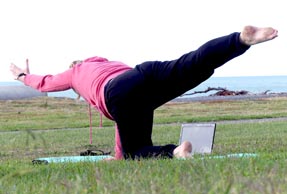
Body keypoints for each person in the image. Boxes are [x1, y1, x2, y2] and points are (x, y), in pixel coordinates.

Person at [10, 25, 278, 160]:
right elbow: (122, 117)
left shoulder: (75, 72)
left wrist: (23, 77)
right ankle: (241, 40)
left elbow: (45, 82)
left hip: (121, 95)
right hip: (142, 73)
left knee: (135, 152)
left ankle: (176, 152)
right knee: (193, 64)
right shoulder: (109, 63)